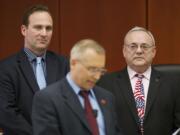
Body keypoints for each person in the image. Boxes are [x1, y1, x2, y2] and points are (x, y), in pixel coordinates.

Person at [0, 4, 69, 135]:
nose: (44, 33)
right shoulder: (5, 68)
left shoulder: (64, 64)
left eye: (48, 28)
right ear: (23, 30)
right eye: (38, 27)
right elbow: (5, 112)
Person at [97, 26, 180, 135]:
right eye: (133, 46)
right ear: (124, 51)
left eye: (144, 46)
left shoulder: (173, 84)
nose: (139, 51)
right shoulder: (105, 83)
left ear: (153, 52)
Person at [32, 39, 123, 135]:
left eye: (100, 71)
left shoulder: (107, 97)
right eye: (92, 69)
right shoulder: (48, 99)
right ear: (73, 63)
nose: (97, 76)